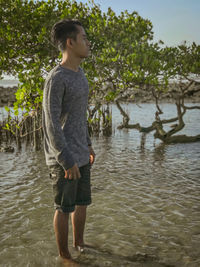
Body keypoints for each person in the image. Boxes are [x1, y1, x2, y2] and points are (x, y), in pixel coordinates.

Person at [42, 19, 95, 264]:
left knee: (82, 203)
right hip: (63, 158)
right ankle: (64, 256)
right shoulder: (56, 78)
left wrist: (88, 144)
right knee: (64, 207)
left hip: (82, 152)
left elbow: (79, 114)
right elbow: (51, 123)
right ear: (70, 42)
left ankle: (79, 243)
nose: (88, 42)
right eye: (83, 37)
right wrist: (66, 160)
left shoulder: (81, 74)